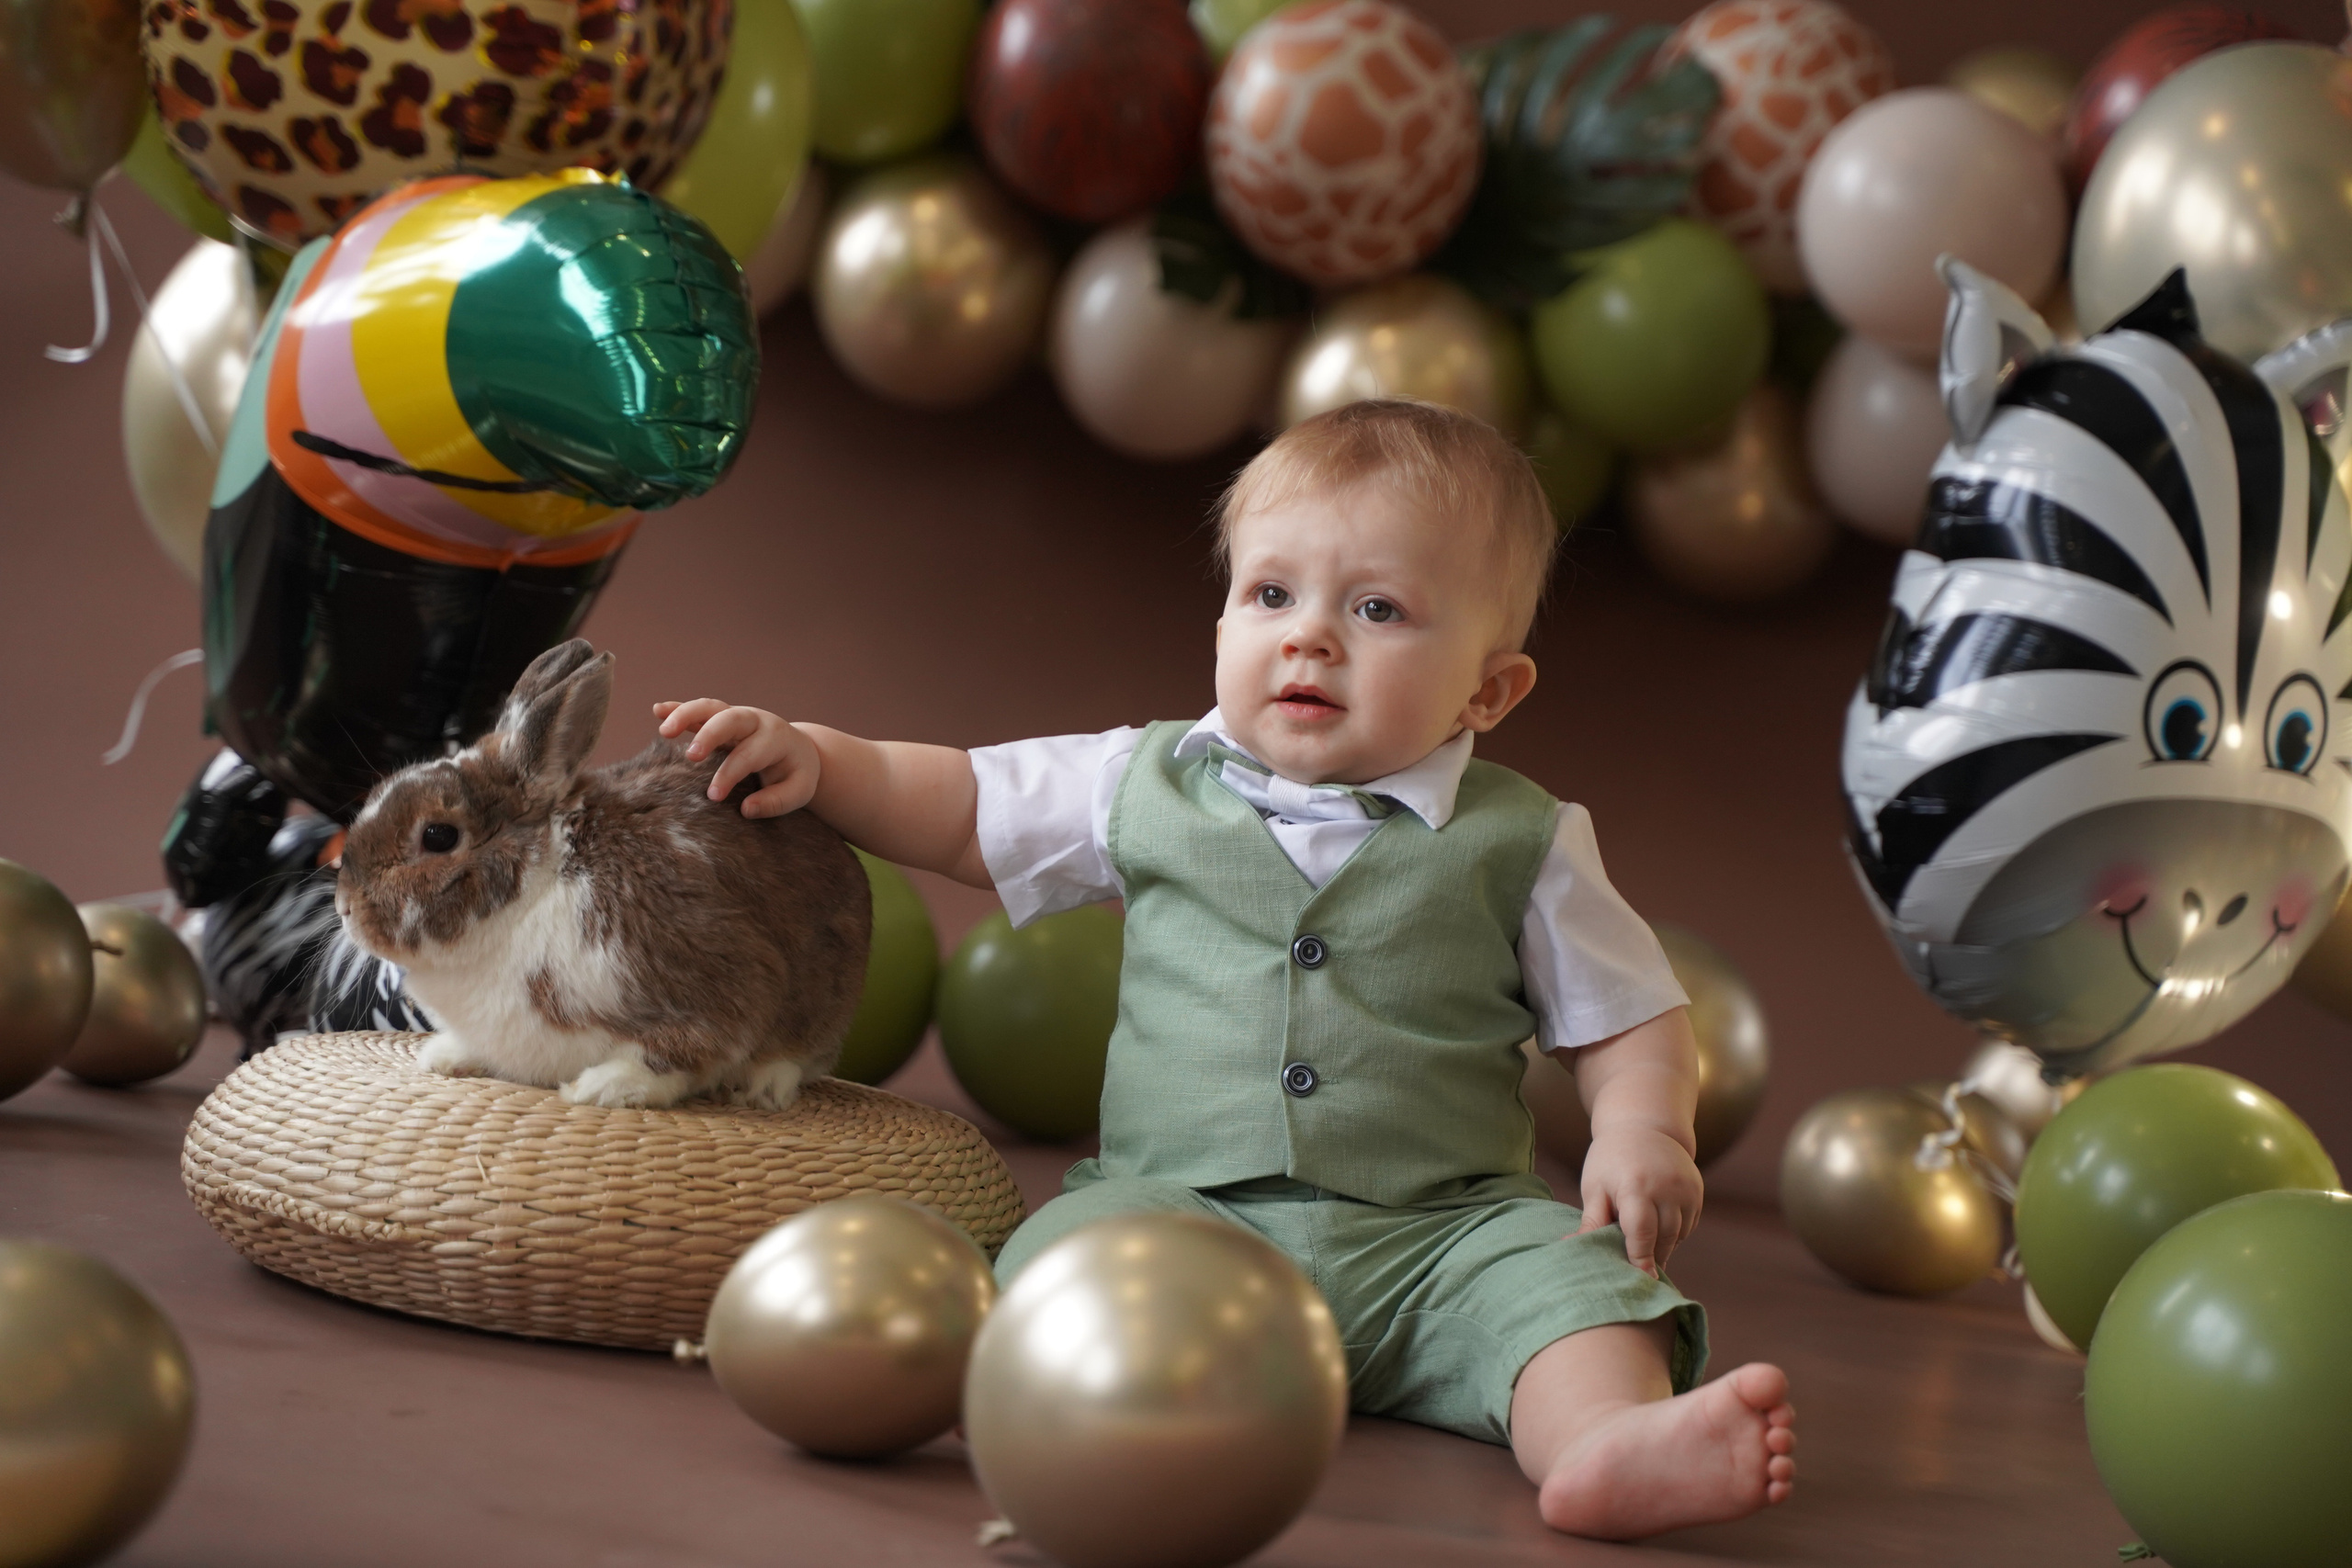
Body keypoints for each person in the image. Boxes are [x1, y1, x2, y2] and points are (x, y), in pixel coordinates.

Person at [653, 399, 1795, 1540]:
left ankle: (1601, 1442)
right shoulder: (1142, 781)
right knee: (1065, 1258)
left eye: (1379, 608)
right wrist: (822, 758)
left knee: (1578, 1285)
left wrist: (1643, 1134)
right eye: (1271, 594)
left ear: (1487, 691)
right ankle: (1016, 1390)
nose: (1309, 637)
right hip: (1180, 1218)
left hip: (1440, 1239)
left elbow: (1627, 1017)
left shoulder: (1525, 840)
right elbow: (959, 802)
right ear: (1222, 624)